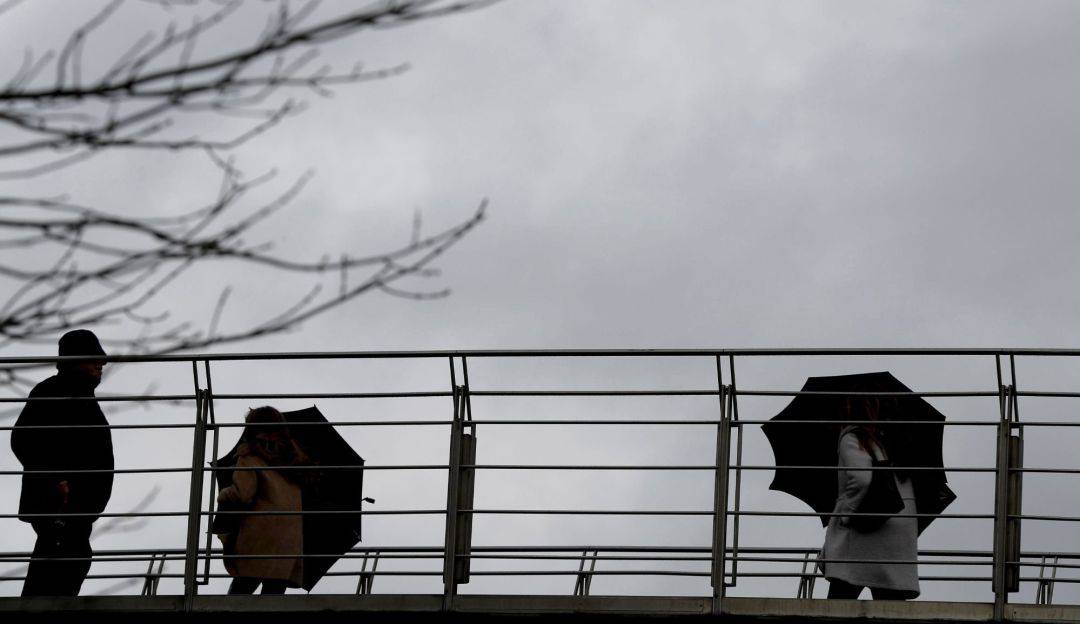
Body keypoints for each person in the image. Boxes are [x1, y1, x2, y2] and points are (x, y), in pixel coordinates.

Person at [10, 329, 114, 596]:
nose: (100, 364)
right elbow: (23, 439)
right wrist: (55, 480)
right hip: (60, 503)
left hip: (77, 507)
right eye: (93, 358)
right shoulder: (53, 391)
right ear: (75, 359)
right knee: (63, 556)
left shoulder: (80, 396)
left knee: (70, 557)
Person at [820, 396, 919, 600]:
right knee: (890, 605)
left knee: (838, 602)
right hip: (894, 537)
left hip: (862, 535)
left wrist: (846, 514)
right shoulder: (897, 442)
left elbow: (861, 477)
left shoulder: (852, 436)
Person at [217, 407, 308, 595]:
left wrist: (224, 494)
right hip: (288, 547)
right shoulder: (294, 462)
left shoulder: (250, 458)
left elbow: (242, 494)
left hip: (258, 543)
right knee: (272, 602)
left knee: (238, 597)